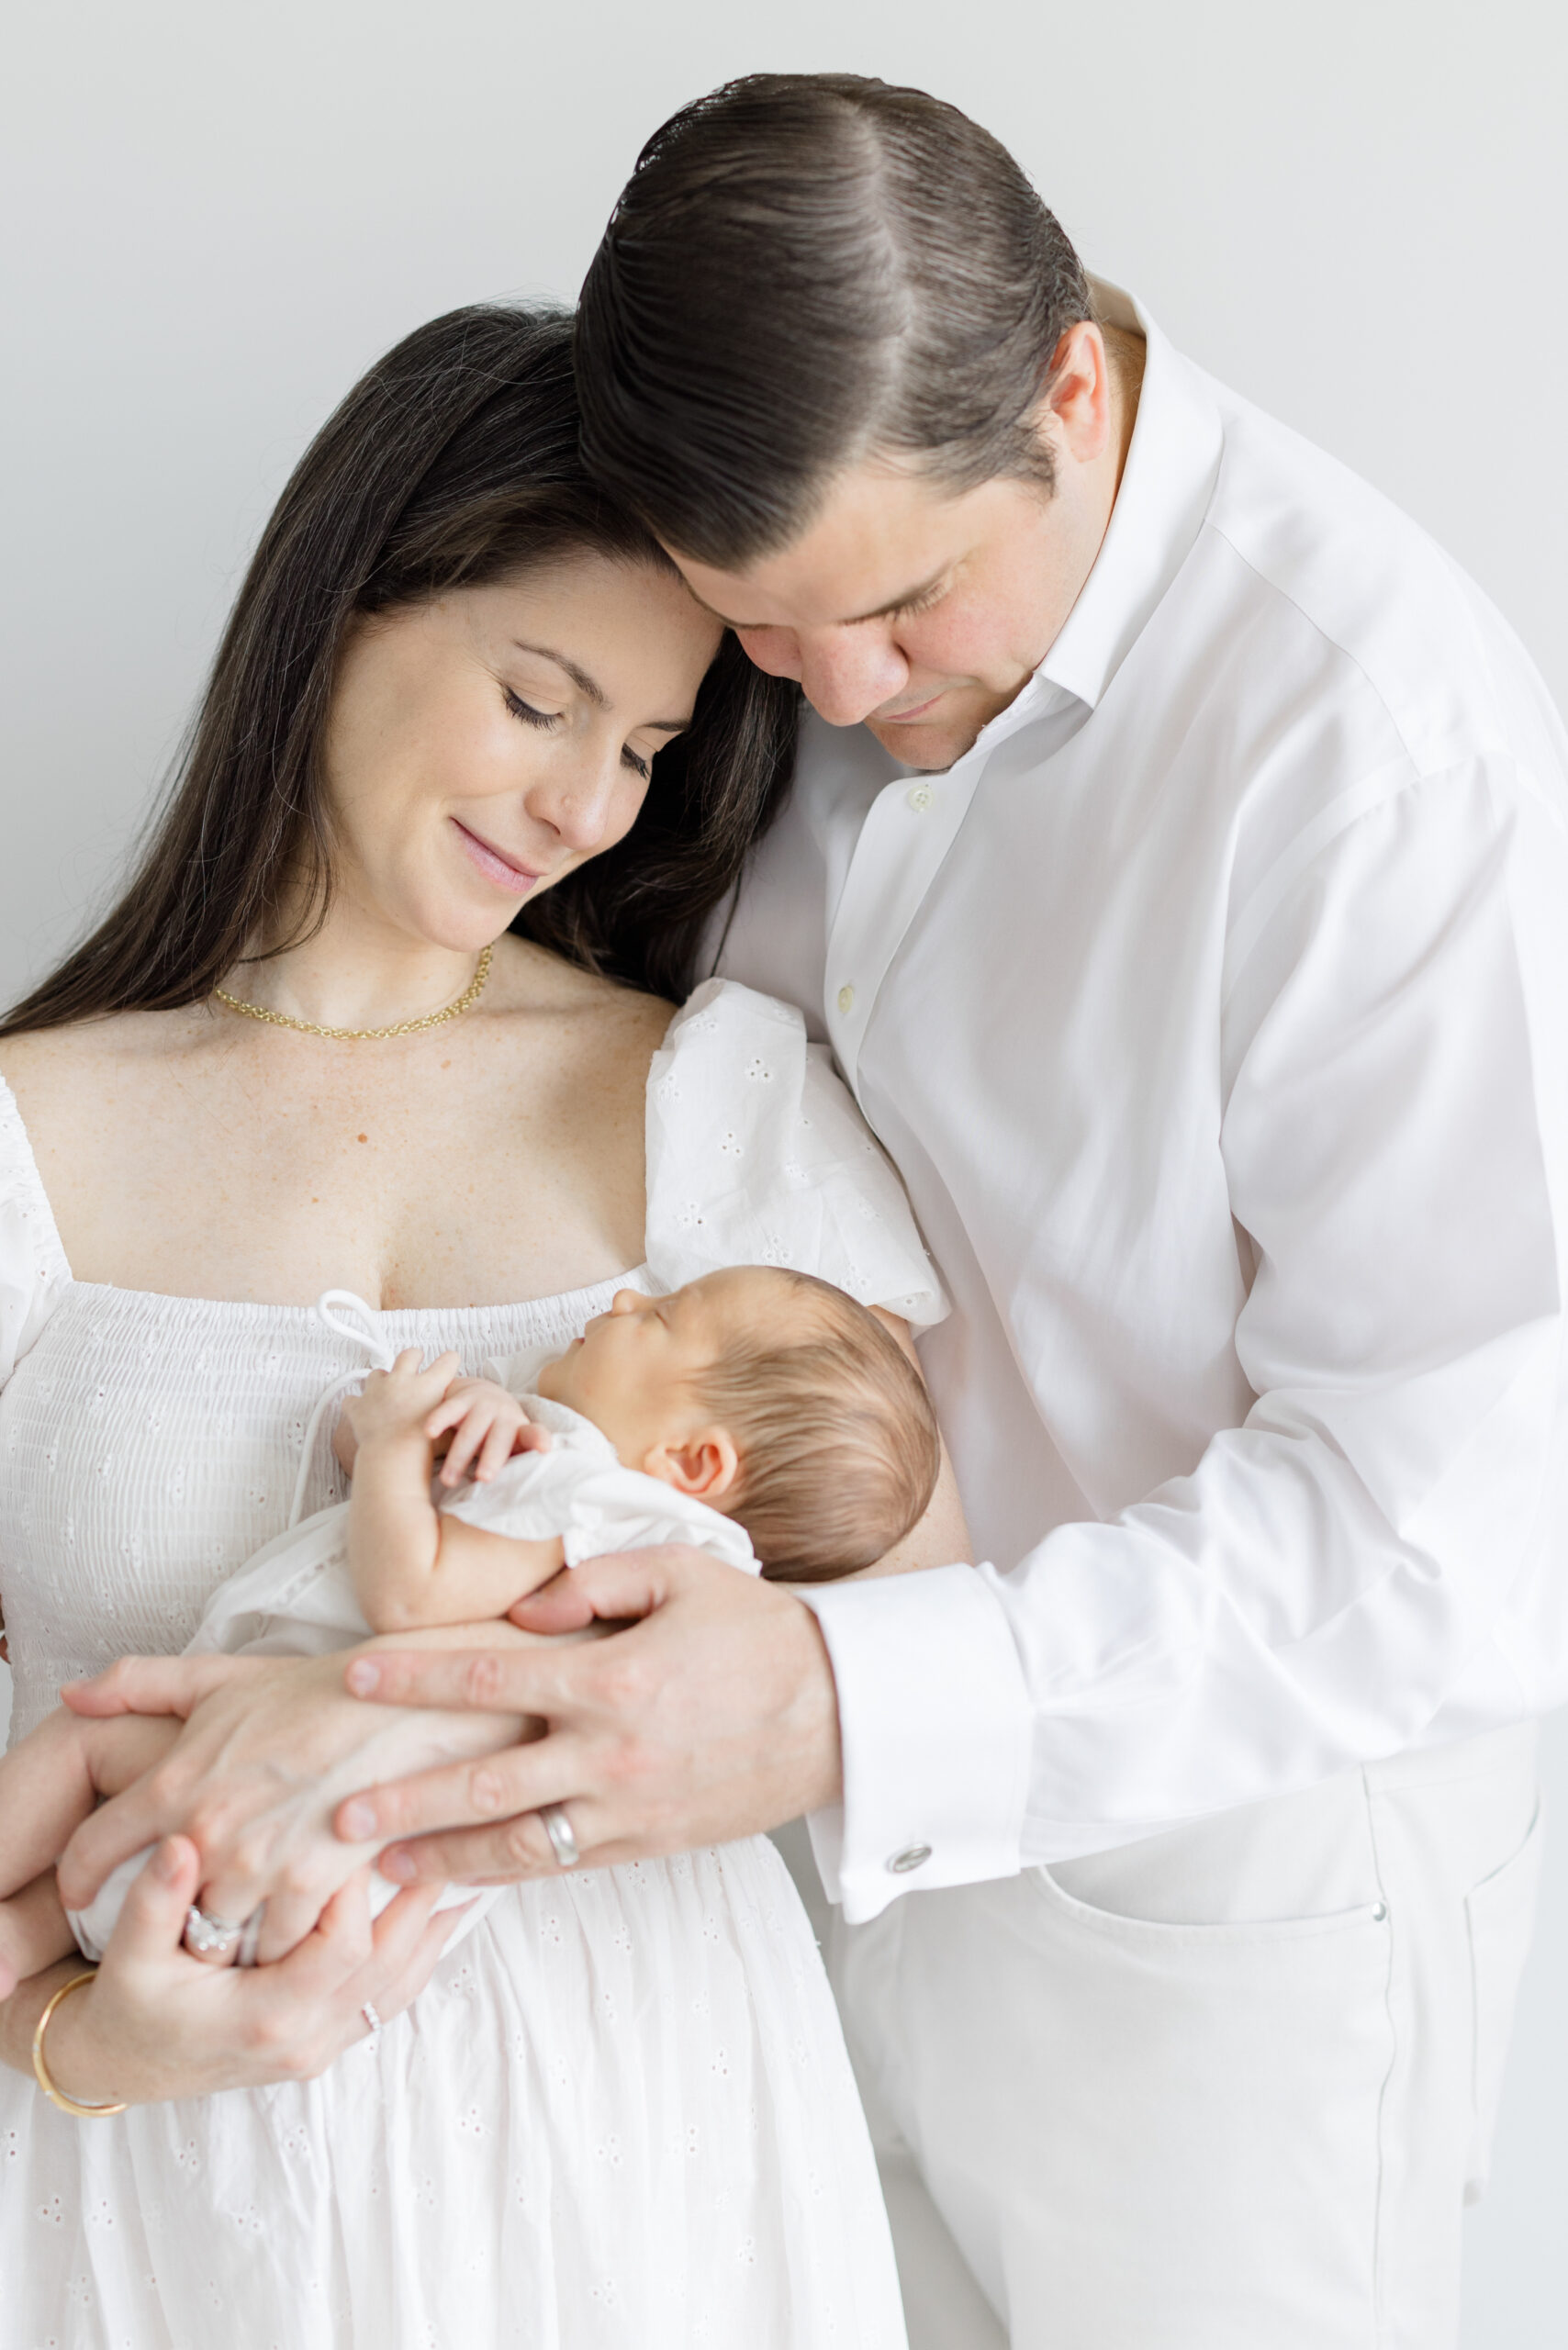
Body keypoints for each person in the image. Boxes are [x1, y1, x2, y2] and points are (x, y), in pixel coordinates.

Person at [58, 74, 1568, 2346]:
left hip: (1177, 1893)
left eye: (903, 605)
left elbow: (1461, 1519)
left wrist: (848, 1702)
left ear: (1072, 384)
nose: (845, 698)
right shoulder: (793, 654)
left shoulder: (1374, 750)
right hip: (750, 1924)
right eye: (763, 642)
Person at [0, 297, 975, 2345]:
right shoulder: (31, 1127)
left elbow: (915, 1646)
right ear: (343, 606)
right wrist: (81, 2044)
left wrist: (386, 1701)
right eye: (538, 699)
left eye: (639, 747)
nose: (582, 808)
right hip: (146, 2188)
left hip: (638, 2153)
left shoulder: (713, 1097)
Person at [0, 1263, 939, 1991]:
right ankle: (25, 1937)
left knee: (89, 1739)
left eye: (658, 1316)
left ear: (690, 1457)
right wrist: (471, 1425)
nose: (622, 1296)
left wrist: (394, 1439)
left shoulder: (586, 1492)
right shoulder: (685, 1569)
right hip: (343, 1889)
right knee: (122, 1821)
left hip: (292, 1817)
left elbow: (405, 1590)